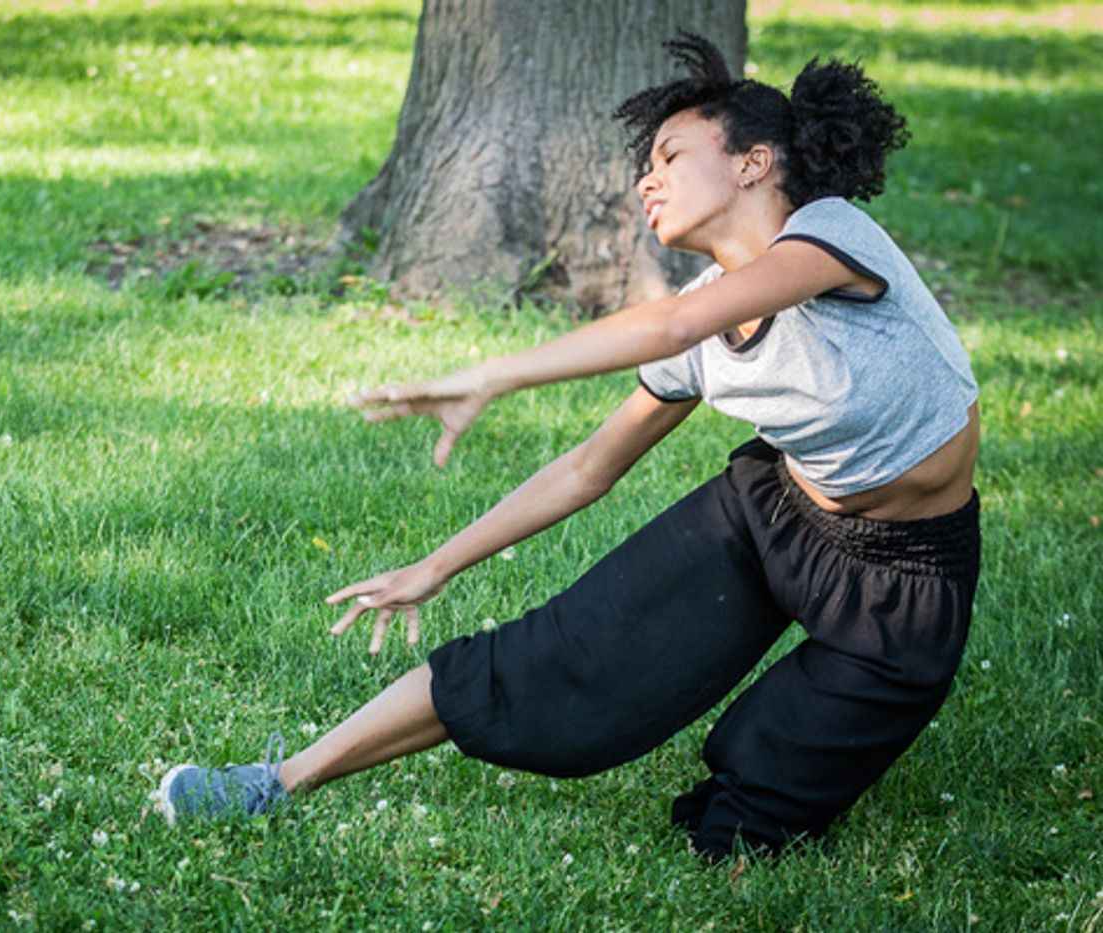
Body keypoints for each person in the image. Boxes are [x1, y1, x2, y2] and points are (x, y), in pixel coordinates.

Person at [158, 32, 981, 859]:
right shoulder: (702, 323)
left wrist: (495, 374)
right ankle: (277, 780)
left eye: (670, 154)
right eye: (645, 164)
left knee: (745, 821)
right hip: (776, 513)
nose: (645, 179)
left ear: (753, 162)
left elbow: (675, 319)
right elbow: (590, 466)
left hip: (905, 578)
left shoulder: (834, 236)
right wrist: (434, 566)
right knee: (557, 659)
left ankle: (759, 781)